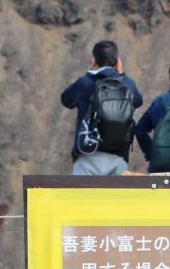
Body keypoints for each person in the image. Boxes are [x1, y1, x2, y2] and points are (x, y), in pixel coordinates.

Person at [61, 40, 143, 175]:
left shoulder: (84, 83)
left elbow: (66, 99)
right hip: (118, 156)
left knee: (83, 196)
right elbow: (138, 101)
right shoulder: (127, 85)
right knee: (113, 196)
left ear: (94, 60)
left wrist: (89, 74)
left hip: (87, 154)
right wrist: (122, 76)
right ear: (117, 61)